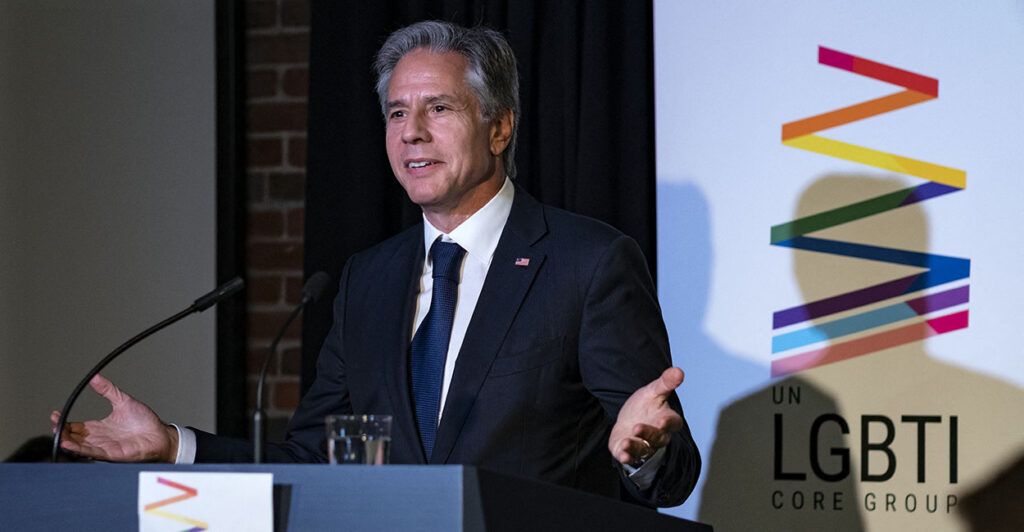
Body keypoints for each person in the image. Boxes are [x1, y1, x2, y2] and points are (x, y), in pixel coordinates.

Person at [52, 20, 699, 507]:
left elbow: (670, 472)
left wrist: (646, 451)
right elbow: (314, 456)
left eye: (437, 108)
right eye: (396, 111)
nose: (411, 131)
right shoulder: (368, 278)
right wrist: (173, 445)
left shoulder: (588, 262)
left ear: (499, 128)